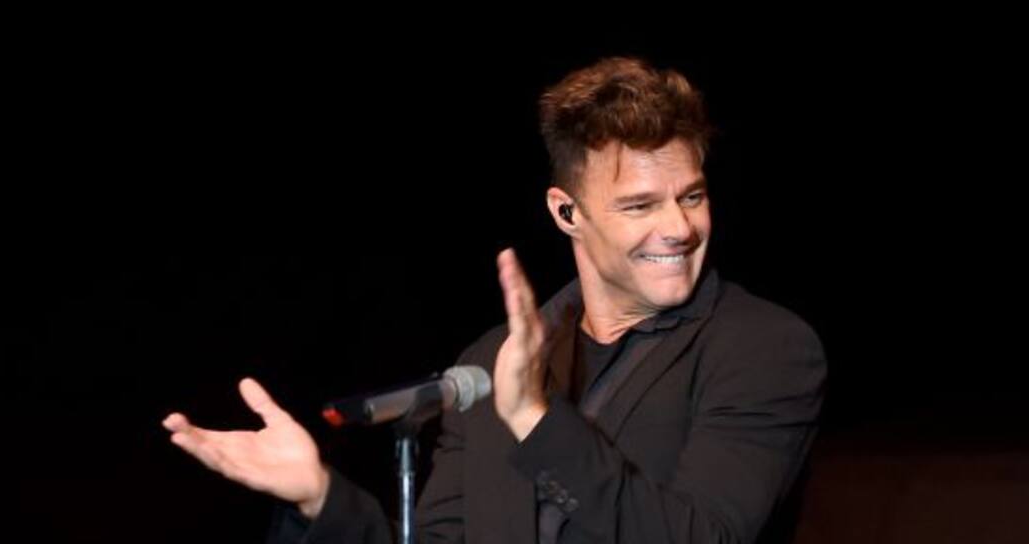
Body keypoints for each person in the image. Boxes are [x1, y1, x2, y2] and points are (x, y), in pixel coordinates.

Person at [163, 56, 827, 544]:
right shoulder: (491, 362)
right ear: (567, 213)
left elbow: (703, 538)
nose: (679, 227)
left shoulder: (763, 348)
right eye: (639, 205)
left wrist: (535, 418)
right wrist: (321, 498)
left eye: (692, 196)